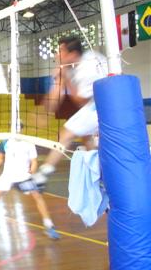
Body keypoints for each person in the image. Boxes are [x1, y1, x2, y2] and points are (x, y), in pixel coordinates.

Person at [21, 36, 108, 190]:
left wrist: (65, 77)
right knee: (85, 137)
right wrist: (44, 112)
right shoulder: (68, 66)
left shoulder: (88, 66)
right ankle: (102, 178)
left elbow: (80, 101)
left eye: (60, 51)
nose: (56, 55)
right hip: (93, 105)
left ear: (72, 54)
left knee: (66, 133)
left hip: (107, 104)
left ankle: (42, 176)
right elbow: (57, 95)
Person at [0, 135, 60, 240]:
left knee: (37, 196)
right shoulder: (5, 141)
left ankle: (49, 226)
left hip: (24, 174)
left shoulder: (29, 142)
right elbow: (1, 157)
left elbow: (34, 161)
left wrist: (32, 171)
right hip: (7, 175)